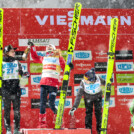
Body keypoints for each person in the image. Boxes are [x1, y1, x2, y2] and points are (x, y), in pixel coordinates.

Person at [28, 42, 67, 128]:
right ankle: (42, 124)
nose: (48, 47)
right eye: (47, 46)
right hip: (43, 83)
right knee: (42, 104)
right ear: (46, 50)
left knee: (51, 104)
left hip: (53, 84)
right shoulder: (44, 58)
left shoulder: (59, 58)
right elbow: (34, 57)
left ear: (54, 49)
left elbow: (65, 68)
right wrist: (32, 47)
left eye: (51, 46)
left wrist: (69, 68)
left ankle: (60, 120)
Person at [2, 45, 30, 134]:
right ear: (6, 53)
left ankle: (16, 130)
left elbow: (22, 74)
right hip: (5, 89)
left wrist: (26, 75)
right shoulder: (1, 62)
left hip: (15, 89)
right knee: (6, 111)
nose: (14, 53)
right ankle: (8, 130)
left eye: (14, 51)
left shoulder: (17, 62)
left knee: (17, 111)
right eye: (12, 51)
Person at [69, 68, 105, 134]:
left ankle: (100, 131)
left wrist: (108, 82)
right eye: (84, 78)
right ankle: (88, 130)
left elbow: (105, 82)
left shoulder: (98, 79)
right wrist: (74, 107)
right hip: (88, 98)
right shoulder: (83, 82)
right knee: (88, 114)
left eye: (86, 79)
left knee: (98, 114)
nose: (84, 80)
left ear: (92, 80)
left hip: (98, 97)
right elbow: (79, 95)